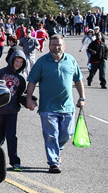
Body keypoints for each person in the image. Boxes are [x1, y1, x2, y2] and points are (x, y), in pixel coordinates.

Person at [25, 35, 85, 174]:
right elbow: (32, 81)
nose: (56, 47)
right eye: (53, 45)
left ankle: (56, 152)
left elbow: (78, 80)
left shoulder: (70, 60)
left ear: (64, 46)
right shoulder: (42, 62)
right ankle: (53, 163)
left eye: (58, 45)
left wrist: (82, 97)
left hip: (67, 106)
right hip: (48, 107)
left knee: (67, 134)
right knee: (51, 135)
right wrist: (29, 98)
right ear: (49, 46)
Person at [0, 49, 29, 172]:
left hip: (12, 111)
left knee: (11, 137)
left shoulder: (21, 78)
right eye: (16, 61)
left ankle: (15, 162)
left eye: (21, 62)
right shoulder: (0, 73)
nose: (18, 64)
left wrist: (29, 101)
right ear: (12, 60)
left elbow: (19, 95)